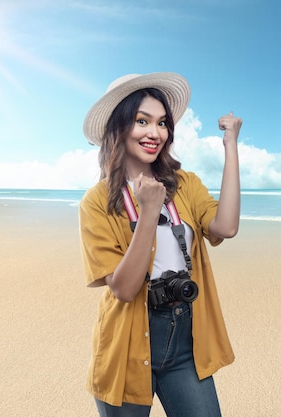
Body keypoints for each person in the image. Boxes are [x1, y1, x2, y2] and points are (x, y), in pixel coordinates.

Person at [78, 72, 242, 417]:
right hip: (127, 340)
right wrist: (149, 211)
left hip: (185, 337)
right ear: (118, 128)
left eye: (162, 123)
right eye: (142, 121)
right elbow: (123, 289)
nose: (155, 133)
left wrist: (231, 147)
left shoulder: (185, 184)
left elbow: (225, 227)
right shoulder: (96, 203)